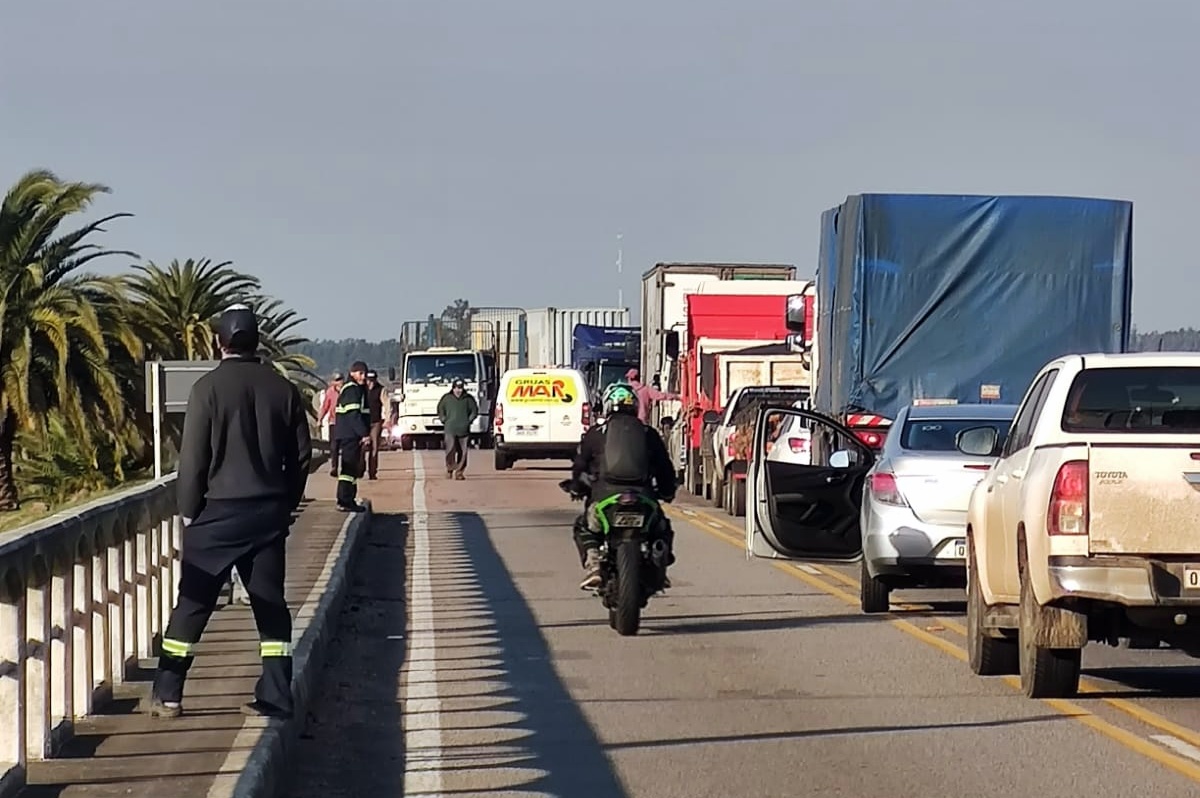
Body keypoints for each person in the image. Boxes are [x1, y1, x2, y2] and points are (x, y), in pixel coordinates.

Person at [150, 305, 312, 720]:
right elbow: (301, 458)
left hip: (216, 516)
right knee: (270, 605)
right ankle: (277, 695)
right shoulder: (283, 390)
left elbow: (193, 462)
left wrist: (189, 512)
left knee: (193, 605)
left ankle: (168, 693)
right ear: (256, 341)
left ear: (219, 342)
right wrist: (285, 505)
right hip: (267, 514)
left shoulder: (206, 389)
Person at [570, 382, 677, 590]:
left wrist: (577, 486)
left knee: (584, 527)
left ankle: (594, 565)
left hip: (604, 500)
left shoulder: (596, 433)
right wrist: (667, 490)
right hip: (644, 499)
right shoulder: (649, 433)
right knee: (662, 528)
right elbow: (665, 468)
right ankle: (659, 564)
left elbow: (580, 466)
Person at [334, 361, 372, 511]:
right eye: (360, 373)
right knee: (348, 469)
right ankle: (344, 500)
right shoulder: (352, 390)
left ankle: (349, 499)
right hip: (349, 434)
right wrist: (363, 433)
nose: (363, 377)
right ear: (352, 373)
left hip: (351, 434)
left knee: (352, 470)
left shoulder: (357, 389)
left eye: (364, 374)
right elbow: (353, 415)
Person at [437, 378, 478, 480]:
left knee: (463, 452)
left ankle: (459, 472)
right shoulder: (446, 398)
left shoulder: (469, 399)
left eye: (460, 388)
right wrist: (443, 419)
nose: (458, 390)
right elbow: (440, 409)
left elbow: (474, 410)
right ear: (453, 388)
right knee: (450, 450)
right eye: (457, 388)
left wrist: (469, 420)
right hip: (450, 428)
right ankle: (450, 469)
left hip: (464, 429)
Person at [316, 373, 344, 478]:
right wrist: (320, 420)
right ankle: (334, 467)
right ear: (333, 382)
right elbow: (325, 407)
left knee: (346, 446)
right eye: (337, 380)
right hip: (334, 422)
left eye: (341, 379)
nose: (339, 382)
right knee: (334, 446)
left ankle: (346, 467)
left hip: (346, 422)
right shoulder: (330, 392)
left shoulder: (347, 390)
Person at [364, 369, 386, 480]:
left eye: (372, 380)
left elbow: (386, 404)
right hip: (363, 422)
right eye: (369, 380)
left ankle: (372, 472)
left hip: (376, 422)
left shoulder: (381, 390)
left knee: (374, 448)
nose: (370, 383)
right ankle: (360, 468)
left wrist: (387, 420)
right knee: (362, 447)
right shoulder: (362, 390)